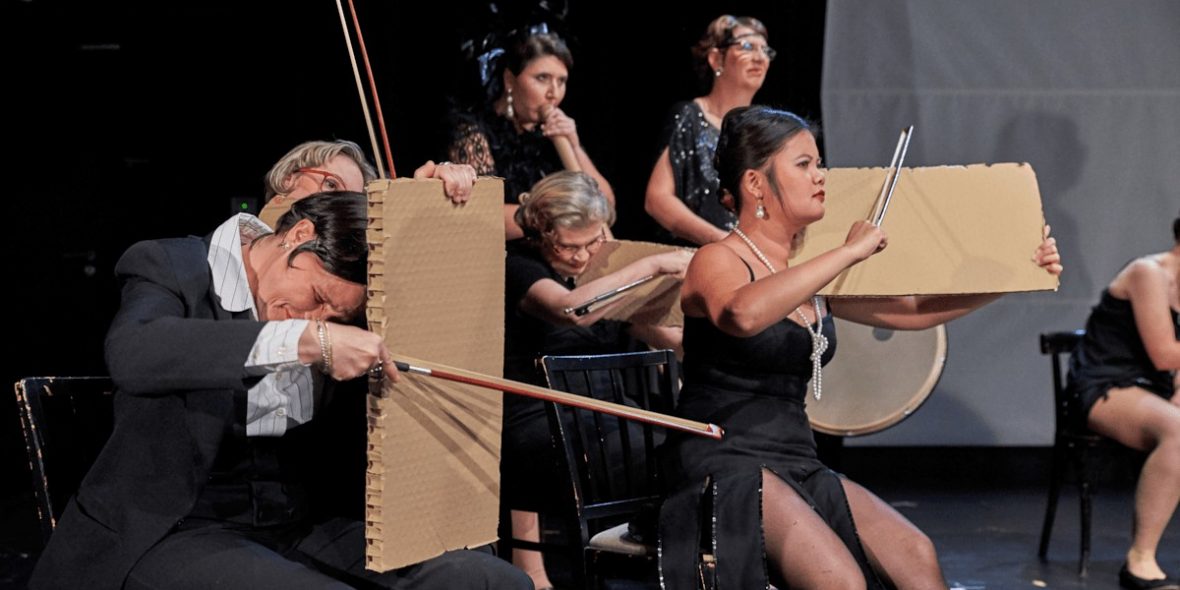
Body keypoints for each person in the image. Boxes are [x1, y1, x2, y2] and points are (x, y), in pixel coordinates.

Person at [28, 192, 531, 590]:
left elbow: (437, 285)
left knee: (488, 579)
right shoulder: (172, 266)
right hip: (174, 525)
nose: (318, 317)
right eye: (317, 296)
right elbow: (135, 351)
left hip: (295, 522)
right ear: (300, 235)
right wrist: (302, 339)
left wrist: (438, 202)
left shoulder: (338, 304)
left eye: (335, 316)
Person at [657, 106, 1063, 590]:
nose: (821, 176)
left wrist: (1014, 273)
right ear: (755, 183)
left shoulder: (806, 270)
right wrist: (847, 252)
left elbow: (914, 311)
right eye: (804, 165)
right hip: (724, 460)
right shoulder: (718, 258)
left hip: (795, 458)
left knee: (916, 555)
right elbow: (741, 314)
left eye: (819, 163)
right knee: (840, 581)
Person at [502, 171, 691, 589]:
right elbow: (572, 310)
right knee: (672, 461)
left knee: (697, 453)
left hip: (606, 422)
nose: (581, 256)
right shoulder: (520, 268)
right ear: (541, 232)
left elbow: (664, 336)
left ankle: (659, 568)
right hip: (544, 425)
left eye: (592, 243)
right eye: (568, 246)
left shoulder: (600, 273)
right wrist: (654, 264)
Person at [1067, 212, 1180, 590]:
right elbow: (1164, 354)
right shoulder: (1148, 273)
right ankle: (1140, 561)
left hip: (1154, 390)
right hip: (1107, 386)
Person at [447, 31, 615, 240]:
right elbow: (480, 212)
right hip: (505, 252)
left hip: (560, 248)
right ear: (510, 80)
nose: (553, 93)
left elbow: (605, 208)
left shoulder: (550, 135)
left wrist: (574, 146)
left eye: (561, 81)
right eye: (542, 78)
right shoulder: (473, 130)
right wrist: (555, 217)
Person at [644, 15, 772, 246]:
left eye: (765, 50)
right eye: (746, 47)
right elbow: (658, 200)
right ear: (716, 58)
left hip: (752, 255)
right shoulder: (690, 116)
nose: (759, 57)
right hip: (698, 257)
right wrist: (722, 242)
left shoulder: (764, 130)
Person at [259, 139, 478, 227]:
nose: (338, 204)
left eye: (350, 200)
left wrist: (429, 193)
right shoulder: (247, 239)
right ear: (288, 178)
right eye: (331, 185)